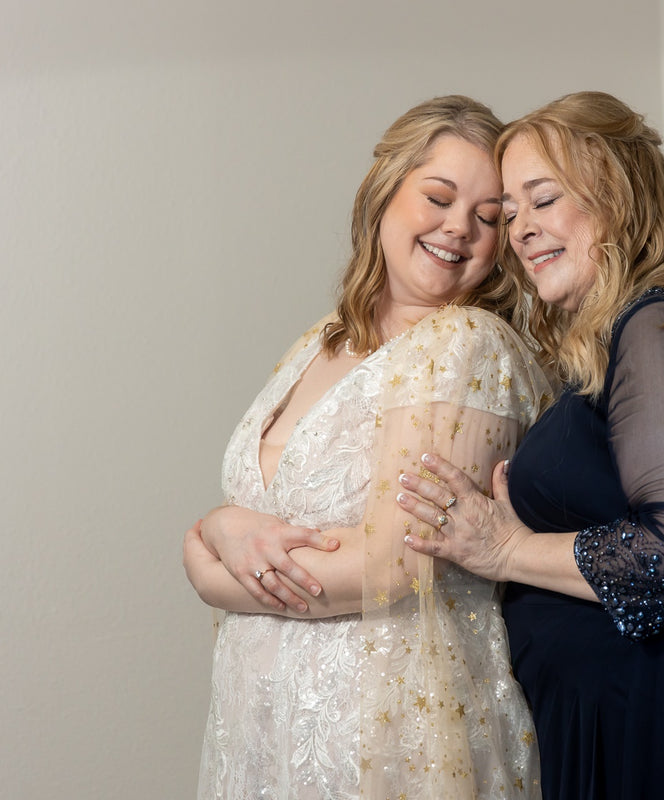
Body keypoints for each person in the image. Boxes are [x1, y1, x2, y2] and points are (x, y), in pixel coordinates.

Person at [397, 91, 664, 799]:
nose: (520, 231)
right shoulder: (648, 328)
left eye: (542, 201)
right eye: (509, 214)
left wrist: (505, 550)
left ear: (619, 193)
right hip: (652, 712)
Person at [182, 95, 548, 800]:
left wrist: (207, 570)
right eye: (437, 197)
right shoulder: (319, 341)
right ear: (383, 194)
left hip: (386, 739)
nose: (459, 229)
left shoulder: (465, 344)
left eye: (489, 218)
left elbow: (394, 563)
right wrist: (225, 526)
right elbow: (254, 506)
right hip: (260, 730)